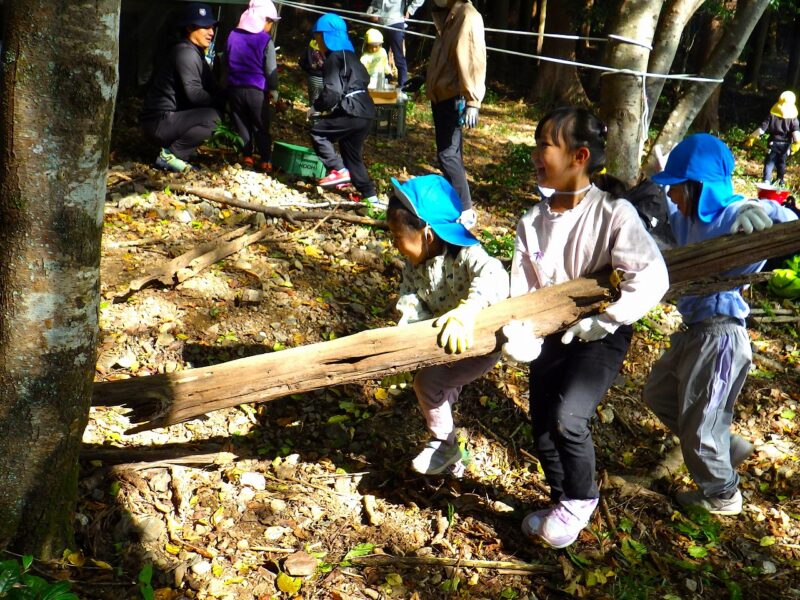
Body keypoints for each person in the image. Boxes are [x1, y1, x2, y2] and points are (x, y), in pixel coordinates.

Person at [504, 107, 669, 549]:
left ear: (579, 156)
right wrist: (519, 328)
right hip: (551, 330)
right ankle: (560, 499)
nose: (536, 155)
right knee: (541, 421)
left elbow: (652, 278)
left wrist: (608, 320)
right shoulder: (530, 221)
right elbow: (522, 289)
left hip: (603, 331)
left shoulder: (614, 214)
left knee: (568, 417)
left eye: (545, 145)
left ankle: (581, 499)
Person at [643, 133, 798, 516]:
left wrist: (757, 209)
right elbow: (663, 203)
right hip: (694, 330)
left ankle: (723, 494)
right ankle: (724, 445)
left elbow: (784, 218)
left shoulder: (732, 215)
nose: (673, 196)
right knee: (659, 394)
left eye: (678, 188)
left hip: (721, 337)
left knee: (699, 429)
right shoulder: (687, 218)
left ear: (698, 188)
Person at [386, 175, 509, 474]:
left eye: (398, 236)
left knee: (428, 384)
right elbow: (409, 301)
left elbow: (495, 275)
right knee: (440, 386)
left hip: (480, 344)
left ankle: (445, 445)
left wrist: (467, 311)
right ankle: (453, 462)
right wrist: (406, 346)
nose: (394, 244)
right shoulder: (413, 266)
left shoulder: (466, 255)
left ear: (426, 233)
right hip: (445, 344)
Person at [140, 2, 223, 172]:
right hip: (159, 122)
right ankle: (171, 155)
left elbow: (212, 87)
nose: (211, 32)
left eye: (212, 27)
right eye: (205, 27)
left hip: (167, 120)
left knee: (215, 113)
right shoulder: (185, 53)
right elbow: (195, 94)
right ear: (190, 28)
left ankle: (177, 150)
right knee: (213, 117)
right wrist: (223, 102)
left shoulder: (196, 52)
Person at [426, 0, 486, 230]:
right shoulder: (449, 15)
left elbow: (472, 59)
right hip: (443, 94)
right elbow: (446, 60)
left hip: (455, 96)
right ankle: (457, 205)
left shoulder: (467, 17)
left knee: (447, 155)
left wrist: (472, 100)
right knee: (451, 154)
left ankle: (466, 210)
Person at [308, 13, 379, 205]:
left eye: (318, 38)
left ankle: (338, 170)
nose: (317, 43)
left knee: (318, 132)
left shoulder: (334, 58)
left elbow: (333, 92)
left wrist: (316, 107)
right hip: (366, 112)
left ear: (326, 37)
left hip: (352, 110)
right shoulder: (352, 57)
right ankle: (371, 198)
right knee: (352, 155)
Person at [226, 1, 280, 172]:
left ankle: (247, 157)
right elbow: (270, 68)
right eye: (270, 22)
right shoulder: (265, 40)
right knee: (261, 125)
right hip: (256, 90)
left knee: (241, 122)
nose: (270, 26)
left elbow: (226, 60)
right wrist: (274, 89)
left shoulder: (232, 34)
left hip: (234, 88)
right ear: (263, 20)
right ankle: (265, 160)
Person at [366, 0, 426, 92]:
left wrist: (410, 10)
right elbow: (375, 3)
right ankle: (380, 85)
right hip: (381, 24)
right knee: (380, 56)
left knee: (399, 57)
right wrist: (372, 11)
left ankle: (403, 87)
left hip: (396, 22)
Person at [745, 90, 800, 188]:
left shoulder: (772, 116)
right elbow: (796, 133)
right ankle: (780, 181)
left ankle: (766, 180)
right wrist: (796, 144)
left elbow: (762, 129)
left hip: (772, 143)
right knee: (781, 163)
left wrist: (752, 137)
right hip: (785, 145)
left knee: (769, 162)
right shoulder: (793, 119)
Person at [299, 38, 326, 114]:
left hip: (313, 78)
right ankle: (326, 124)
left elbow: (301, 61)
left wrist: (309, 70)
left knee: (315, 104)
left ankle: (315, 124)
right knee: (327, 104)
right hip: (327, 79)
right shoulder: (331, 44)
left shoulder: (311, 44)